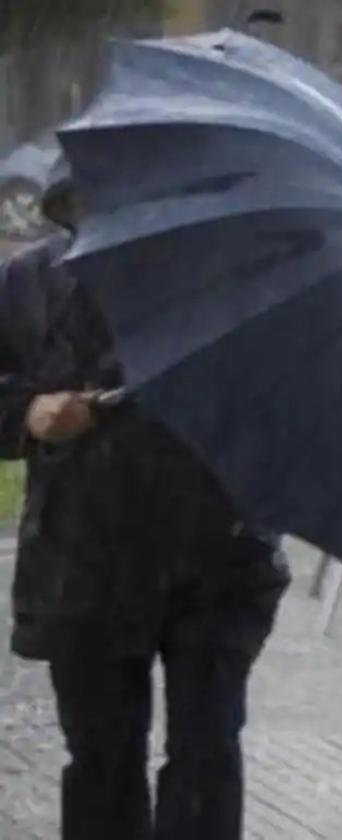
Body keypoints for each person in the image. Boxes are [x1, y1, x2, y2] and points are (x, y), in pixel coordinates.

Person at [0, 164, 290, 840]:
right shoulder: (30, 284)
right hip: (85, 563)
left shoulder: (241, 282)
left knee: (206, 755)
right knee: (102, 761)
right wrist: (29, 411)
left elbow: (292, 407)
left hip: (221, 557)